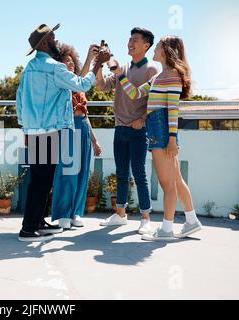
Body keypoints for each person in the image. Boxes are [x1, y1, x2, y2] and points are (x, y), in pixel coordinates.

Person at [16, 23, 110, 242]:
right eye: (54, 38)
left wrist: (26, 129)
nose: (57, 42)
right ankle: (28, 230)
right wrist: (98, 64)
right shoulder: (54, 67)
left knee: (40, 179)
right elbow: (82, 85)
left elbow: (19, 101)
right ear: (45, 42)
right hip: (50, 133)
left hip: (34, 132)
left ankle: (37, 222)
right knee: (42, 181)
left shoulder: (28, 69)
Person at [110, 35, 203, 241]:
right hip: (157, 129)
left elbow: (172, 110)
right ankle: (192, 221)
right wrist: (118, 73)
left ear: (167, 51)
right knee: (176, 180)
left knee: (167, 183)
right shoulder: (159, 77)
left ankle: (167, 230)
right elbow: (134, 94)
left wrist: (171, 139)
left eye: (158, 46)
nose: (155, 49)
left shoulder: (172, 76)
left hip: (161, 130)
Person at [96, 27, 158, 235]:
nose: (130, 43)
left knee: (139, 174)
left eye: (135, 40)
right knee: (122, 173)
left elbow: (153, 103)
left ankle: (145, 219)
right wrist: (99, 63)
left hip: (138, 130)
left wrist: (142, 120)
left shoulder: (152, 70)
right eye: (129, 39)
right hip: (119, 128)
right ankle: (120, 215)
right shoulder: (121, 68)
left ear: (146, 45)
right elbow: (102, 86)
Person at [51, 43, 102, 229]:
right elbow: (80, 78)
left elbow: (86, 116)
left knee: (81, 173)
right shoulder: (62, 81)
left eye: (72, 61)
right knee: (68, 172)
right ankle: (63, 213)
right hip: (67, 128)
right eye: (66, 61)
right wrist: (90, 58)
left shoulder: (79, 87)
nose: (70, 64)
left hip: (83, 128)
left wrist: (94, 141)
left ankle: (76, 213)